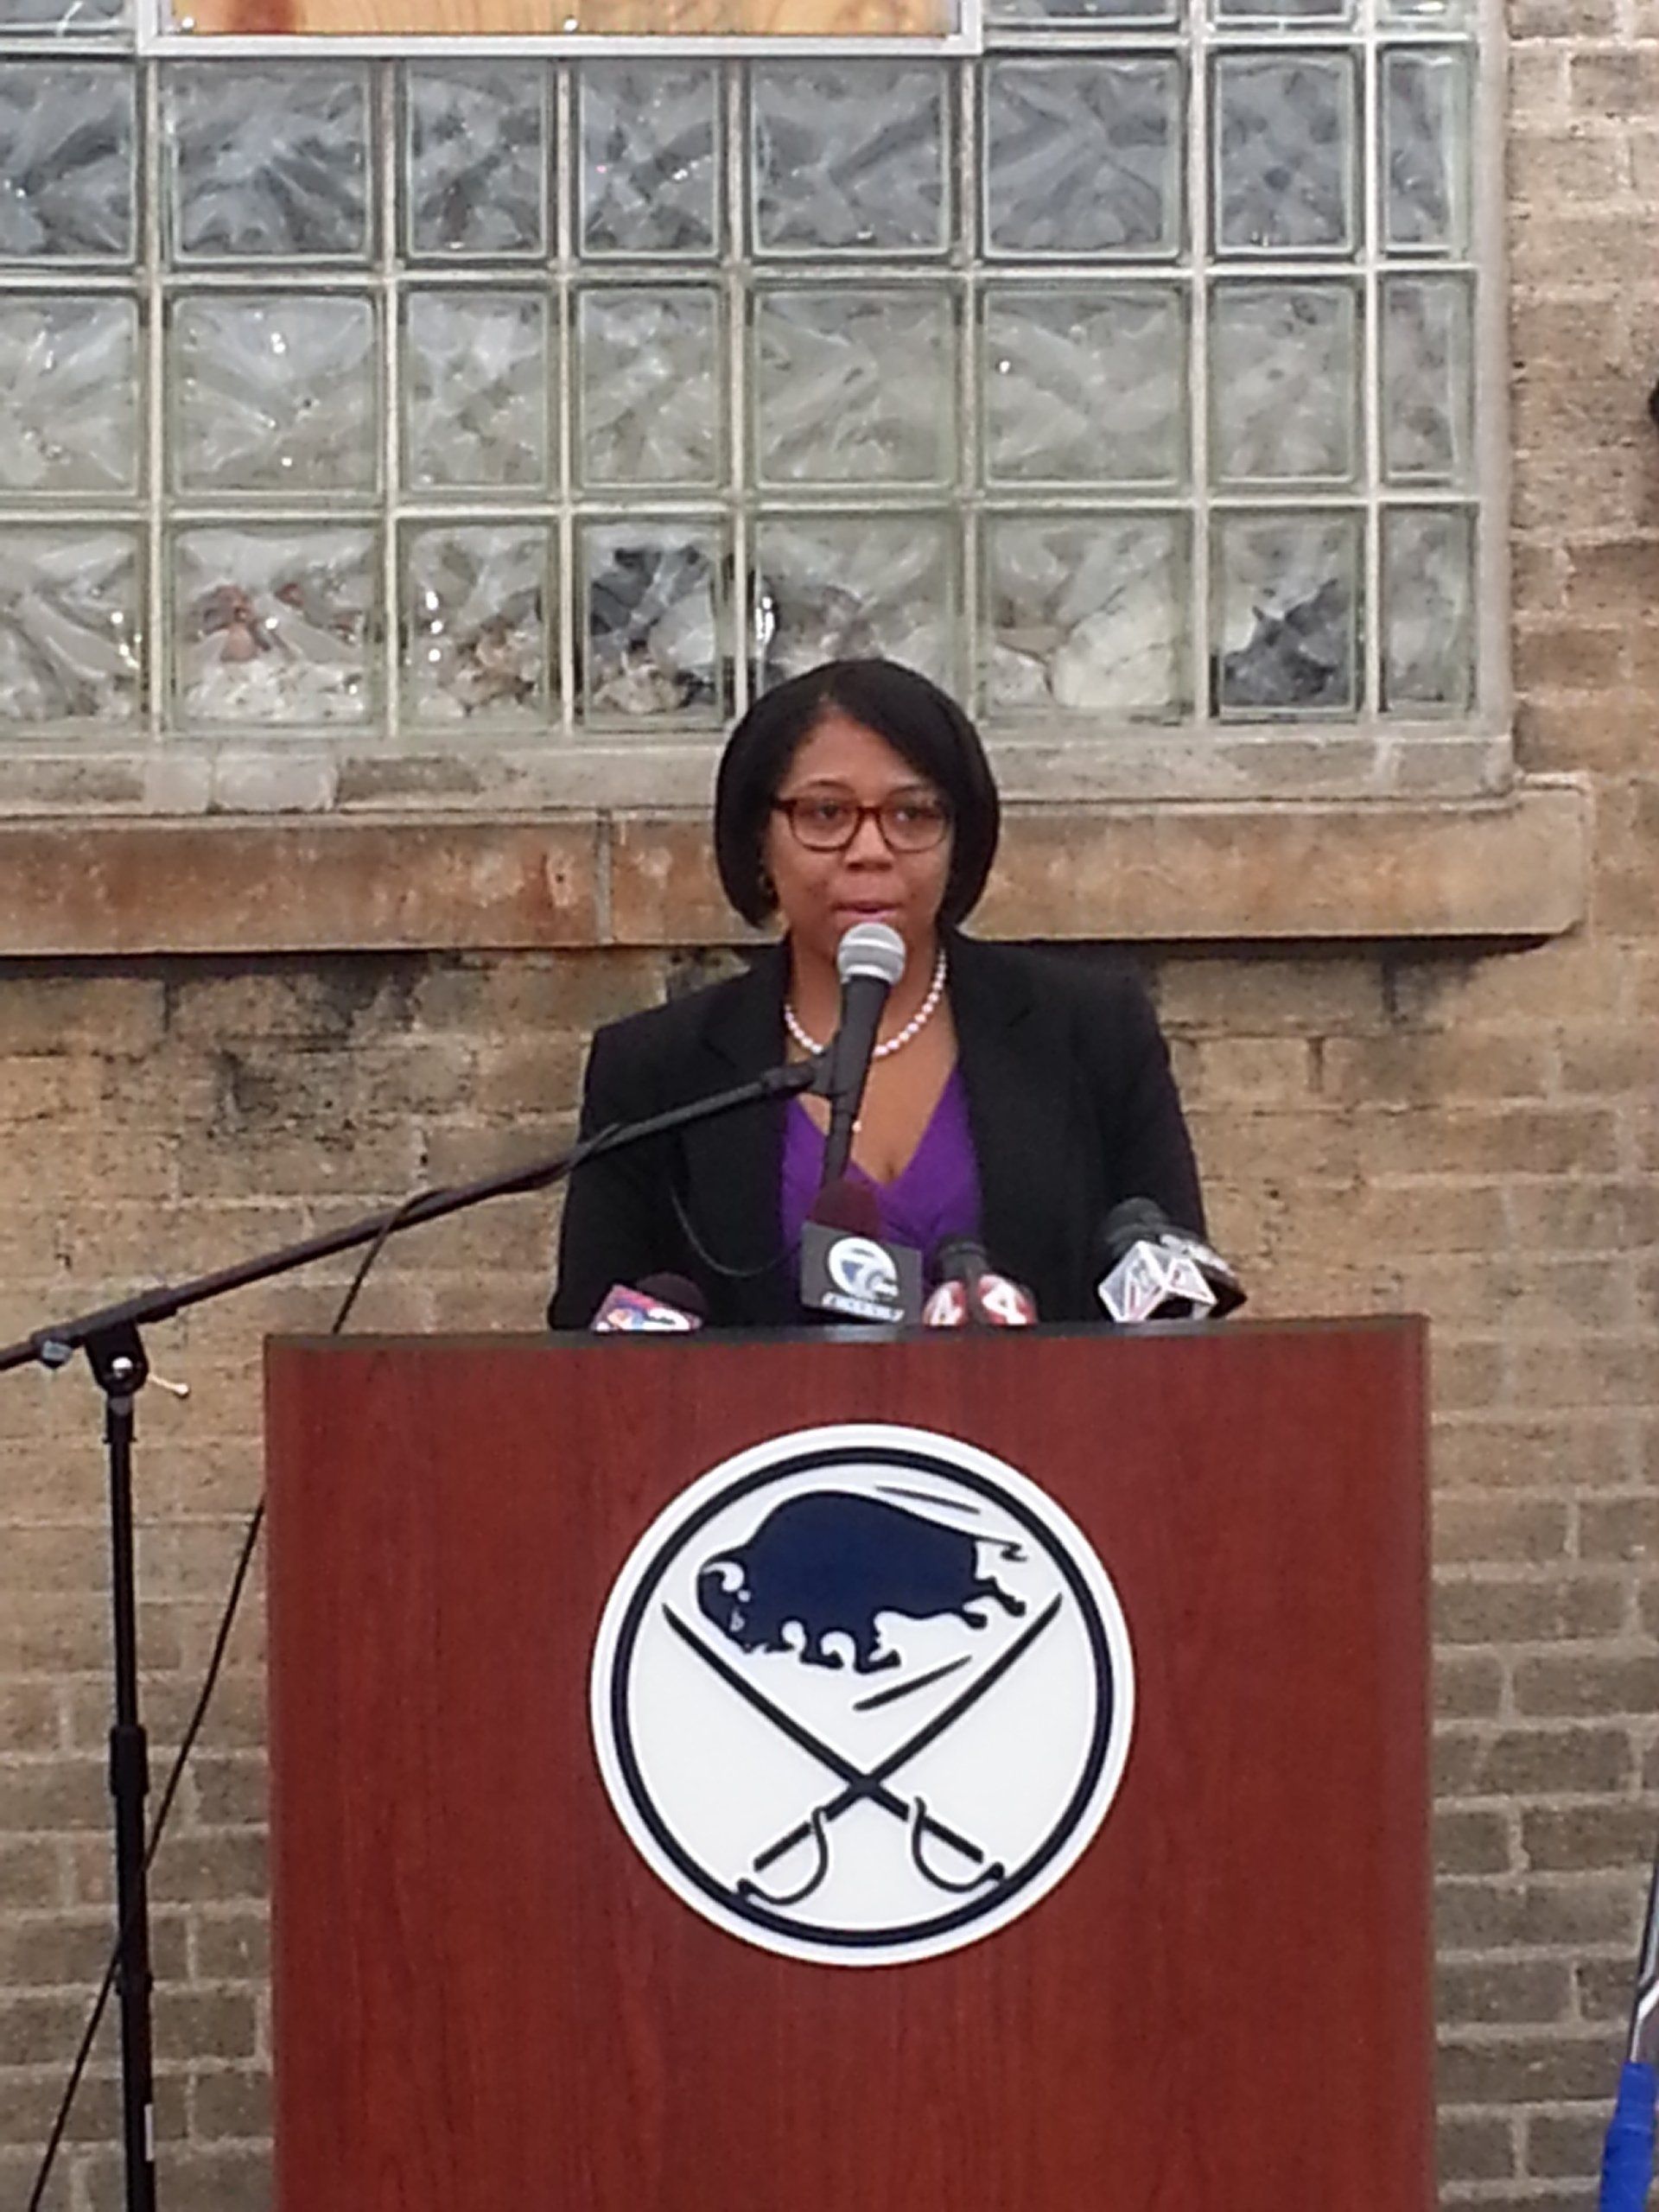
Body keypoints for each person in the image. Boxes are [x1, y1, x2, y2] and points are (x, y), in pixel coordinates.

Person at [549, 658, 1204, 1328]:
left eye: (912, 814)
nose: (870, 849)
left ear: (959, 839)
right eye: (826, 813)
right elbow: (588, 1361)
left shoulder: (1092, 1032)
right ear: (758, 840)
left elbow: (1178, 1313)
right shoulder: (659, 1071)